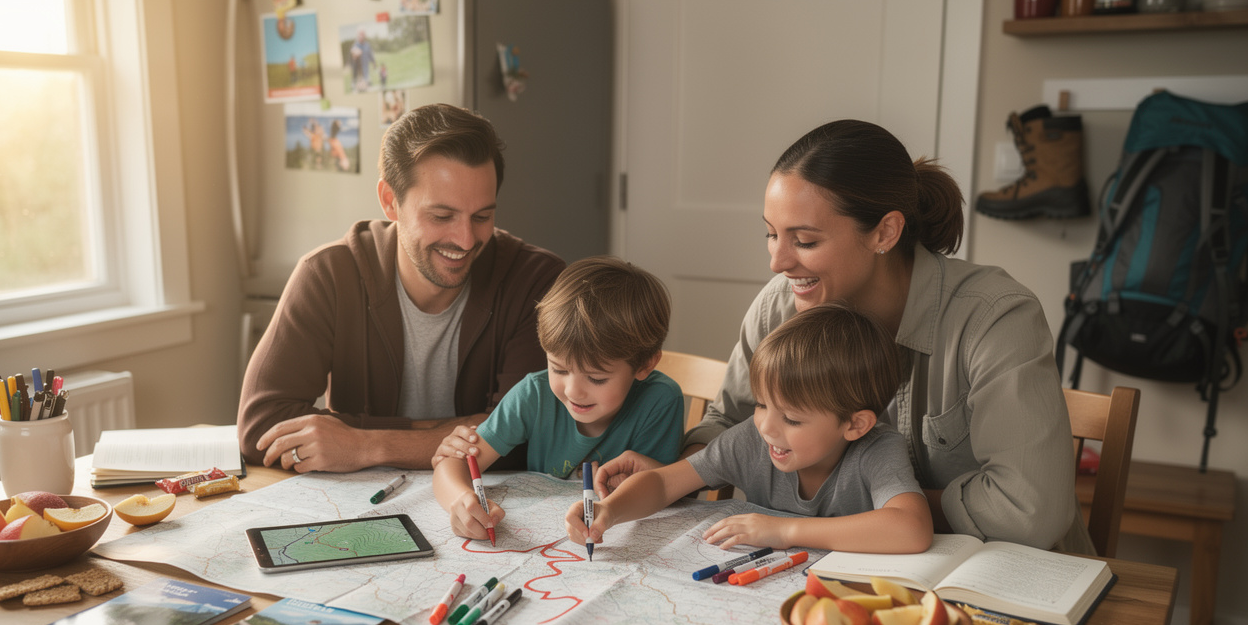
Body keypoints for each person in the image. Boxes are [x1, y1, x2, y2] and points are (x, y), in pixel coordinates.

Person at [596, 119, 1093, 554]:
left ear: (884, 232)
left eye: (805, 241)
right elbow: (730, 427)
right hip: (840, 567)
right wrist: (676, 472)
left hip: (1001, 577)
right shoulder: (779, 304)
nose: (777, 261)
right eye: (772, 233)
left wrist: (870, 503)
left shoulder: (993, 318)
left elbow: (1029, 512)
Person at [239, 103, 565, 472]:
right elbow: (261, 428)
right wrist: (460, 428)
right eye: (442, 216)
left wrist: (366, 444)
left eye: (482, 217)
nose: (465, 239)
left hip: (484, 506)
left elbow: (530, 434)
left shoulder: (537, 281)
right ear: (390, 201)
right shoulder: (328, 275)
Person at [566, 304, 932, 554]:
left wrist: (783, 531)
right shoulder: (751, 440)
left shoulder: (878, 449)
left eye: (792, 419)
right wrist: (608, 511)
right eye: (761, 404)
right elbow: (664, 482)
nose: (767, 427)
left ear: (855, 424)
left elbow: (911, 527)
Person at [433, 257, 685, 541]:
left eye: (597, 378)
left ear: (644, 366)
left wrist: (654, 474)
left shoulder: (660, 400)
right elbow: (452, 464)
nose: (573, 391)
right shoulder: (534, 393)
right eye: (559, 369)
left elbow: (671, 488)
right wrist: (461, 500)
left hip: (619, 537)